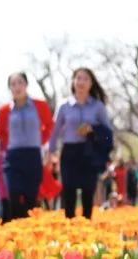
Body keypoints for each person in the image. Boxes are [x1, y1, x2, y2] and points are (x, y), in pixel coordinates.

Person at [47, 69, 113, 219]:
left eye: (86, 79)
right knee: (68, 192)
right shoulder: (64, 106)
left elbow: (109, 135)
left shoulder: (98, 107)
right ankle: (69, 229)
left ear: (91, 83)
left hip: (89, 153)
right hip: (69, 152)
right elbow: (55, 131)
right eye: (78, 78)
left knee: (88, 192)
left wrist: (93, 129)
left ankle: (85, 229)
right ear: (73, 82)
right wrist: (50, 153)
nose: (81, 82)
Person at [0, 72, 54, 221]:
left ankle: (28, 233)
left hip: (33, 156)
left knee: (31, 198)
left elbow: (50, 126)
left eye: (20, 83)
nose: (17, 87)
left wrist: (41, 140)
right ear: (9, 88)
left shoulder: (39, 105)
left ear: (26, 85)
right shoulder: (4, 110)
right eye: (13, 84)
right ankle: (15, 232)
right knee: (13, 194)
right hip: (13, 157)